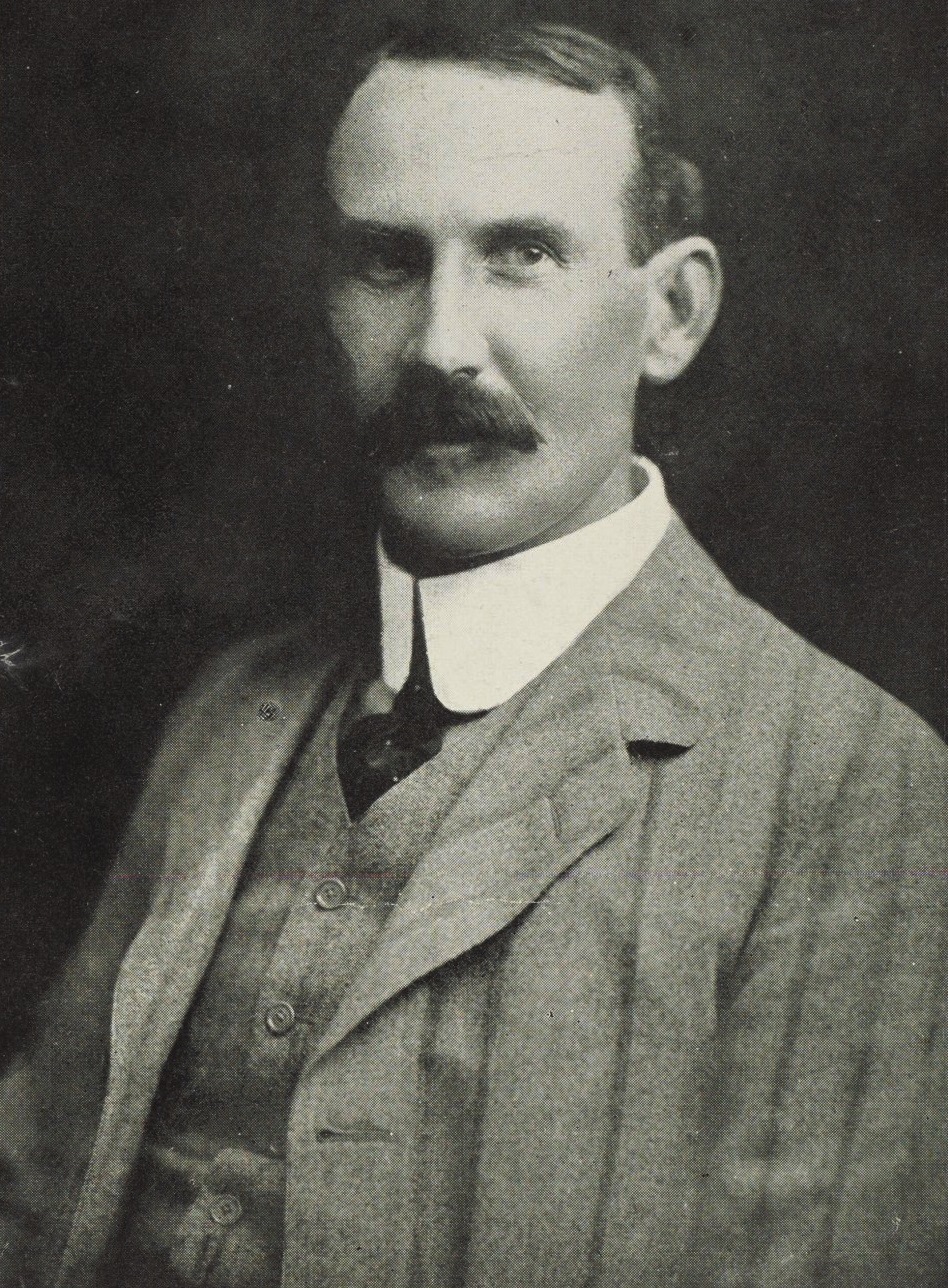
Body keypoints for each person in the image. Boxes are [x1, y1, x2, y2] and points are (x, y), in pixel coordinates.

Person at [0, 20, 944, 1288]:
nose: (442, 342)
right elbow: (34, 1195)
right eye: (387, 262)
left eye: (522, 255)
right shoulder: (231, 710)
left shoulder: (853, 785)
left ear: (671, 313)